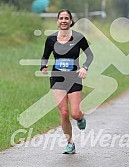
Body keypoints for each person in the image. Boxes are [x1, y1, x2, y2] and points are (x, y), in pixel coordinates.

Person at [40, 9, 93, 154]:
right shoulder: (51, 39)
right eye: (61, 18)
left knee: (74, 113)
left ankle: (80, 118)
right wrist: (43, 66)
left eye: (66, 18)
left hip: (74, 78)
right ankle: (70, 143)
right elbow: (45, 55)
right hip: (57, 78)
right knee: (64, 113)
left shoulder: (78, 37)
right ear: (57, 21)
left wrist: (84, 68)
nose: (63, 21)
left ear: (70, 21)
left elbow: (89, 55)